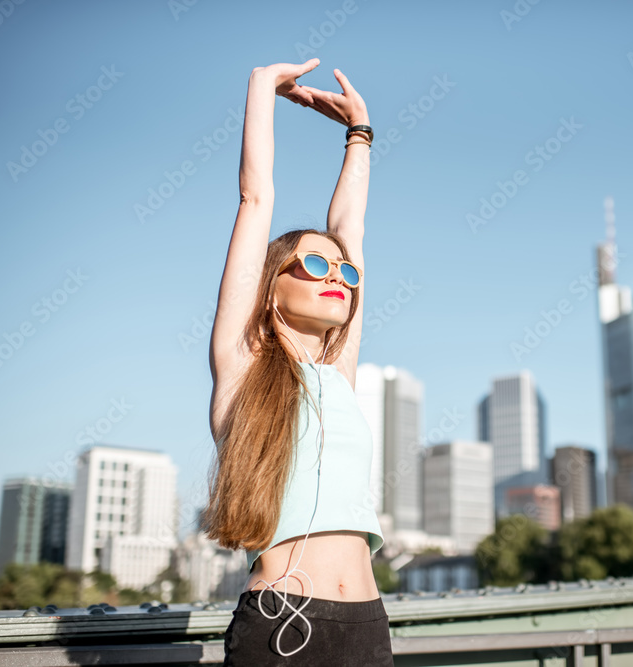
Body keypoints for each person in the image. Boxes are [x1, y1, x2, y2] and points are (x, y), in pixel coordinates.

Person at [202, 59, 393, 666]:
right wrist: (261, 87)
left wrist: (360, 133)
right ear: (272, 284)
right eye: (313, 265)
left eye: (344, 272)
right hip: (284, 628)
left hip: (367, 626)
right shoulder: (242, 365)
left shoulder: (340, 375)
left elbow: (349, 228)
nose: (336, 274)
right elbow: (256, 199)